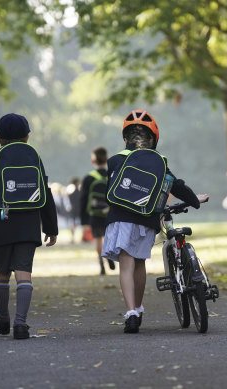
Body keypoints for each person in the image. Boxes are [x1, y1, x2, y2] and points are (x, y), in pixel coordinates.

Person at [101, 109, 205, 334]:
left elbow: (107, 191)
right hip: (146, 219)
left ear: (126, 138)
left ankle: (130, 313)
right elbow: (175, 186)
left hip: (121, 218)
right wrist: (194, 200)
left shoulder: (115, 160)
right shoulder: (159, 162)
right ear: (153, 138)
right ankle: (138, 309)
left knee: (126, 265)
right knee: (139, 263)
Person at [0, 113, 58, 340]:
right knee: (24, 274)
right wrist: (51, 227)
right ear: (27, 137)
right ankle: (20, 323)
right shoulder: (33, 156)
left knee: (2, 272)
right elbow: (44, 191)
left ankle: (4, 317)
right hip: (28, 224)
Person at [79, 147, 114, 275]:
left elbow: (83, 200)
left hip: (94, 214)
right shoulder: (111, 175)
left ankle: (101, 265)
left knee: (98, 238)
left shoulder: (89, 178)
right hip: (109, 213)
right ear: (106, 159)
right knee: (109, 237)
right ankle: (109, 256)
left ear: (93, 160)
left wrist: (84, 219)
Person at [66, 177, 81, 244]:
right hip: (77, 209)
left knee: (73, 224)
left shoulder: (70, 191)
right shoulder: (77, 191)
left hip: (73, 209)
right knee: (75, 224)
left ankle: (73, 237)